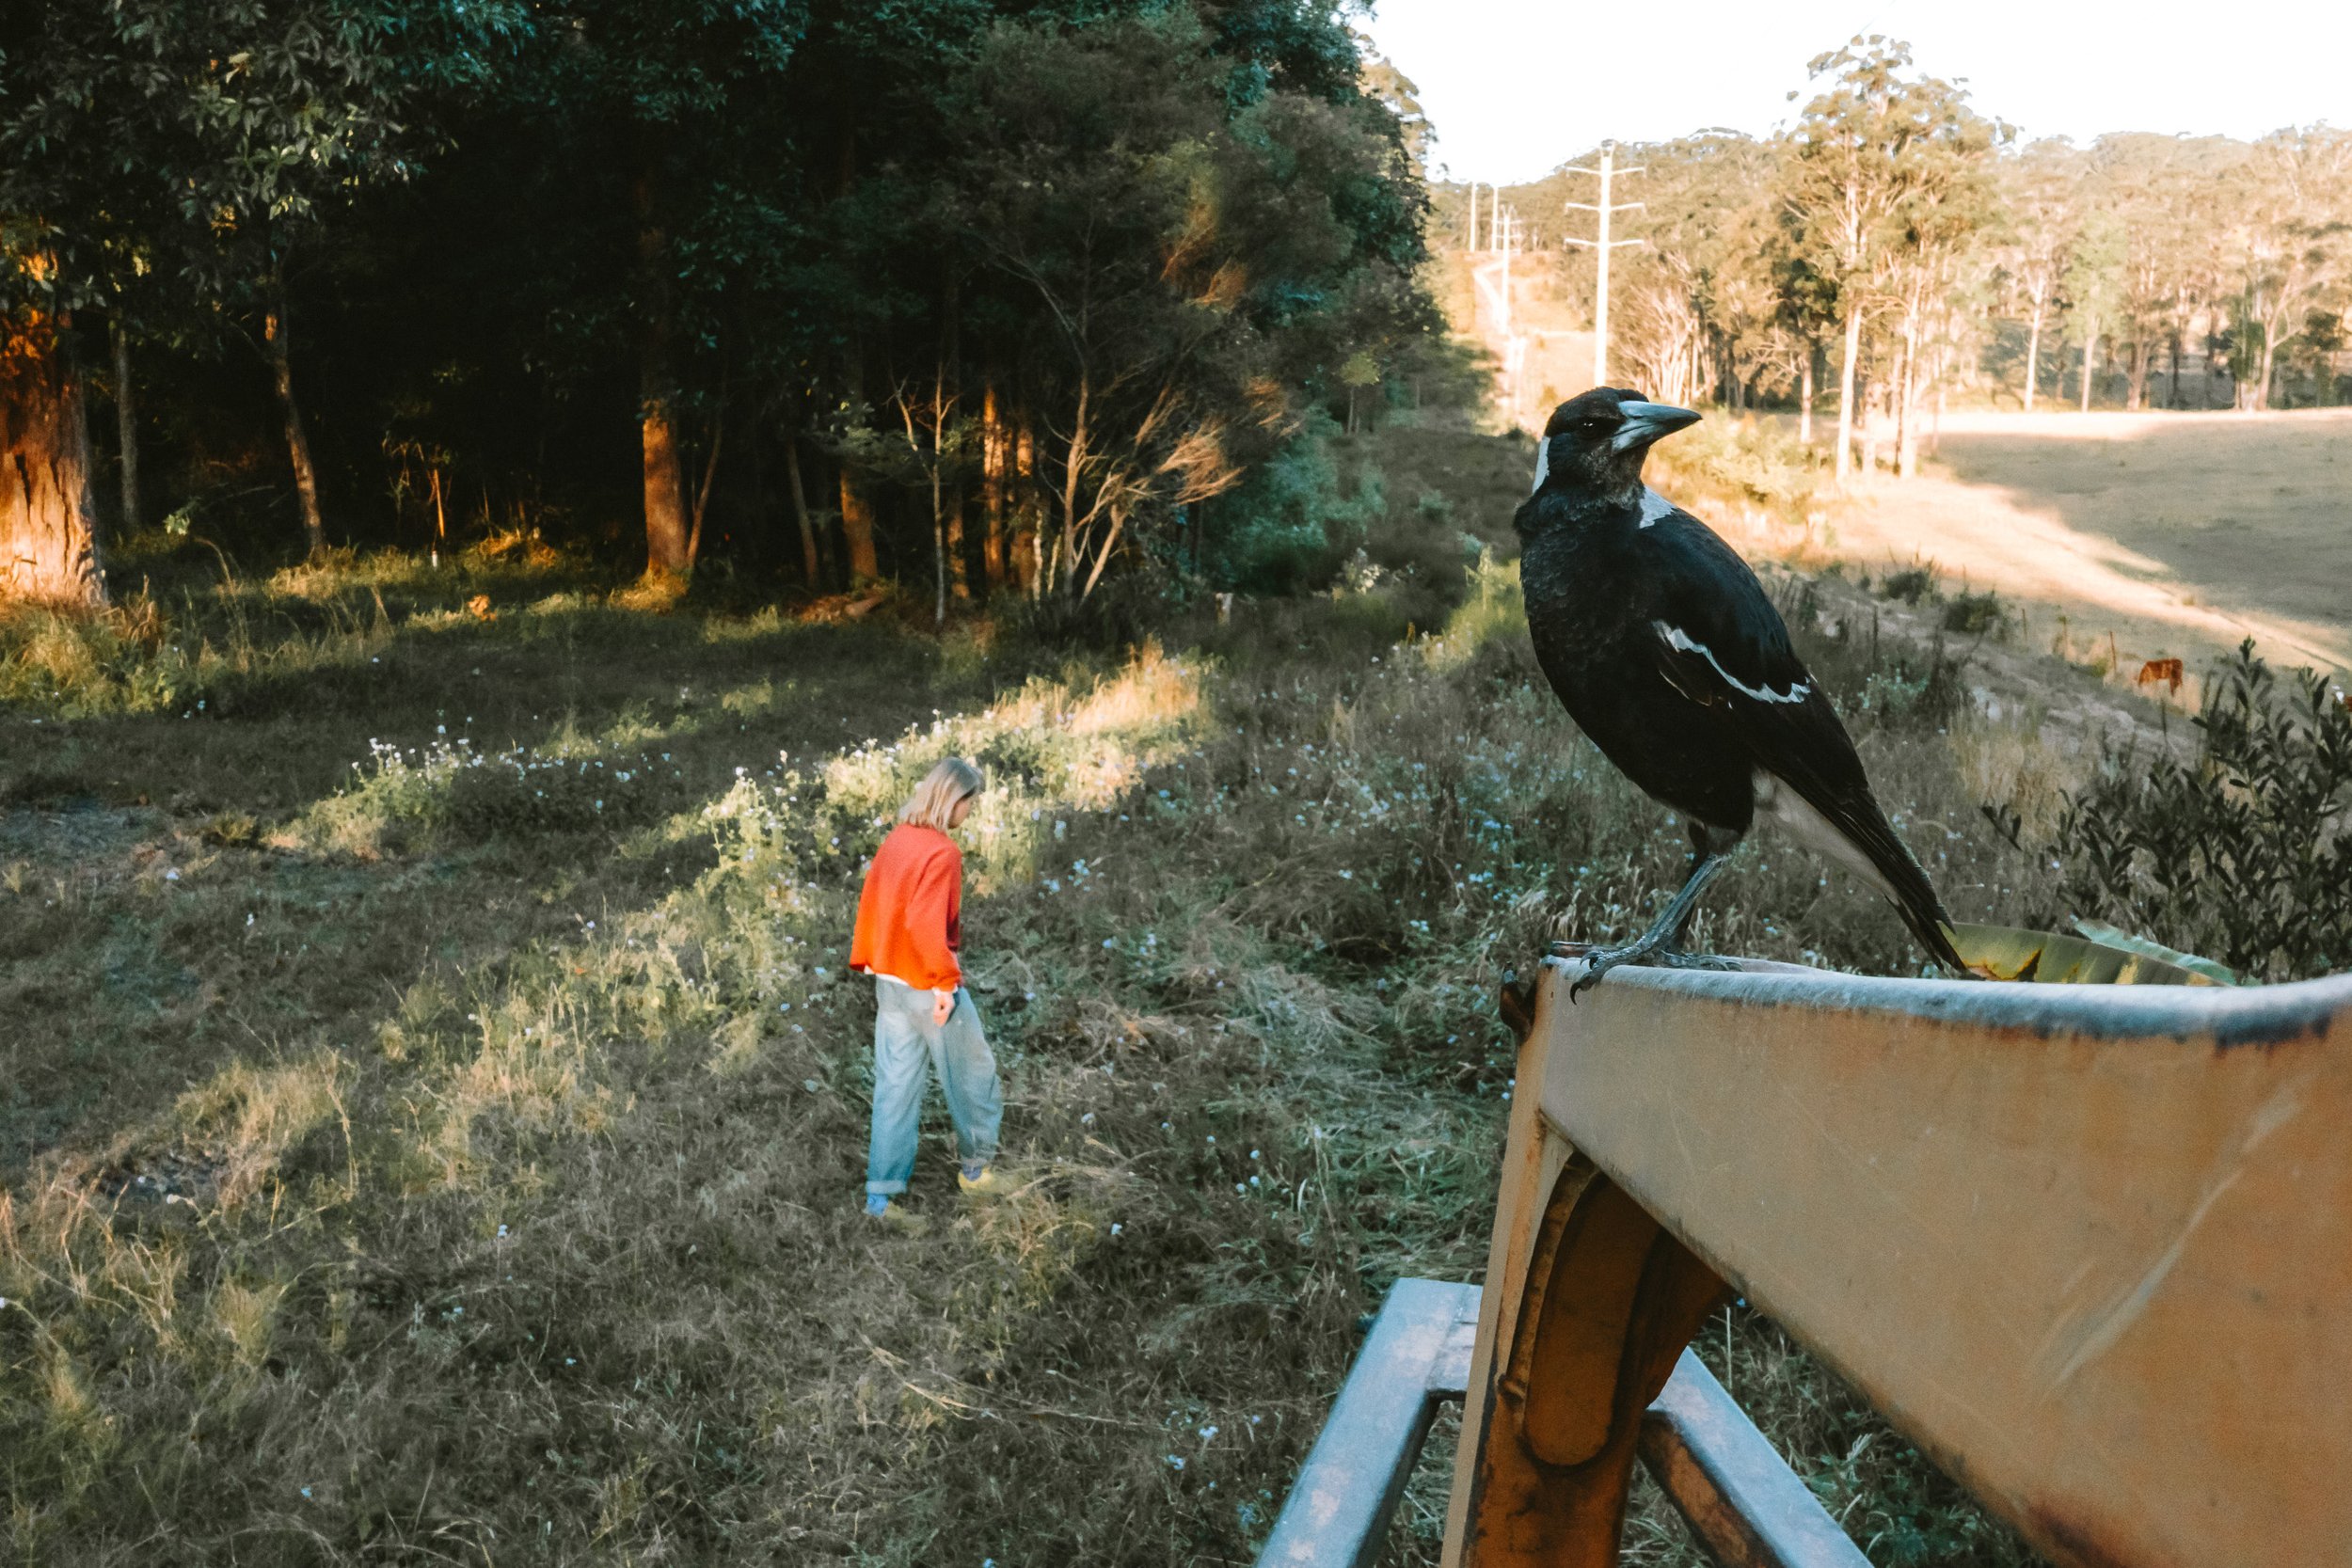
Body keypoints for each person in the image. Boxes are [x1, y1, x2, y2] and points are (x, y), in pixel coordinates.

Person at [849, 756, 1006, 1226]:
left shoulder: (897, 839)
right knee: (973, 1074)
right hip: (927, 984)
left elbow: (877, 905)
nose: (972, 811)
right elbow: (923, 924)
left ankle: (881, 1198)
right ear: (953, 799)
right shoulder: (943, 852)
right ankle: (977, 1172)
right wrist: (943, 985)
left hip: (890, 981)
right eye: (970, 801)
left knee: (895, 1085)